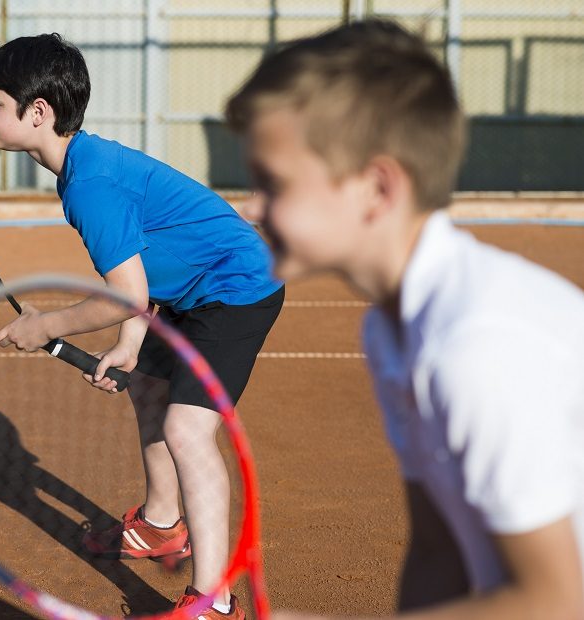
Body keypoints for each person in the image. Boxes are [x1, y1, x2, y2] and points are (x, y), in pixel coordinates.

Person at [226, 18, 584, 620]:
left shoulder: (474, 346)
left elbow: (555, 602)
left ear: (376, 188)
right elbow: (438, 550)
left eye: (273, 182)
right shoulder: (392, 326)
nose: (250, 205)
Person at [0, 33, 285, 618]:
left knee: (188, 431)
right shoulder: (84, 165)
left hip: (235, 289)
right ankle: (162, 526)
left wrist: (47, 326)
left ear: (37, 113)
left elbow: (126, 294)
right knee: (145, 385)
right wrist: (129, 342)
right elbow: (138, 286)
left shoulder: (90, 187)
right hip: (191, 288)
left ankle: (213, 601)